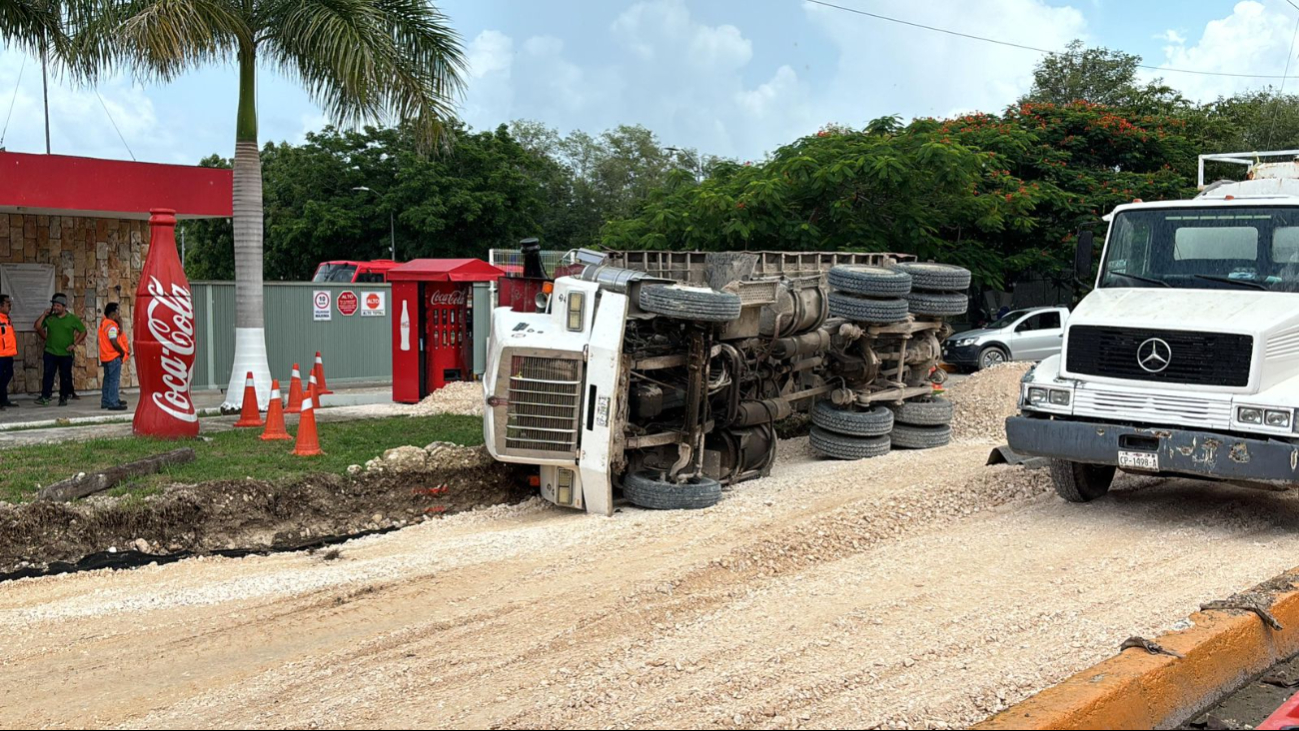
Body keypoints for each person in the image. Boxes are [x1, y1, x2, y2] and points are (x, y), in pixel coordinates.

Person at [34, 293, 86, 407]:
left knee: (65, 376)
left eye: (58, 305)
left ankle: (63, 397)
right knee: (48, 375)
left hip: (66, 353)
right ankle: (45, 397)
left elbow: (83, 331)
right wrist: (44, 315)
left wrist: (75, 344)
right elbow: (37, 327)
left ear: (63, 306)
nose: (55, 308)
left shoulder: (72, 319)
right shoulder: (50, 318)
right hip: (50, 352)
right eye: (54, 305)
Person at [98, 303, 129, 411]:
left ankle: (106, 400)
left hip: (105, 357)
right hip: (113, 356)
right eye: (118, 312)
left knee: (107, 380)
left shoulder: (104, 323)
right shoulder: (111, 326)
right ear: (112, 313)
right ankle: (113, 402)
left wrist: (120, 326)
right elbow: (114, 341)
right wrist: (121, 352)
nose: (119, 315)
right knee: (114, 381)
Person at [0, 294, 16, 410]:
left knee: (7, 375)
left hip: (8, 354)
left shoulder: (7, 319)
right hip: (0, 355)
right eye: (7, 303)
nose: (10, 306)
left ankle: (3, 400)